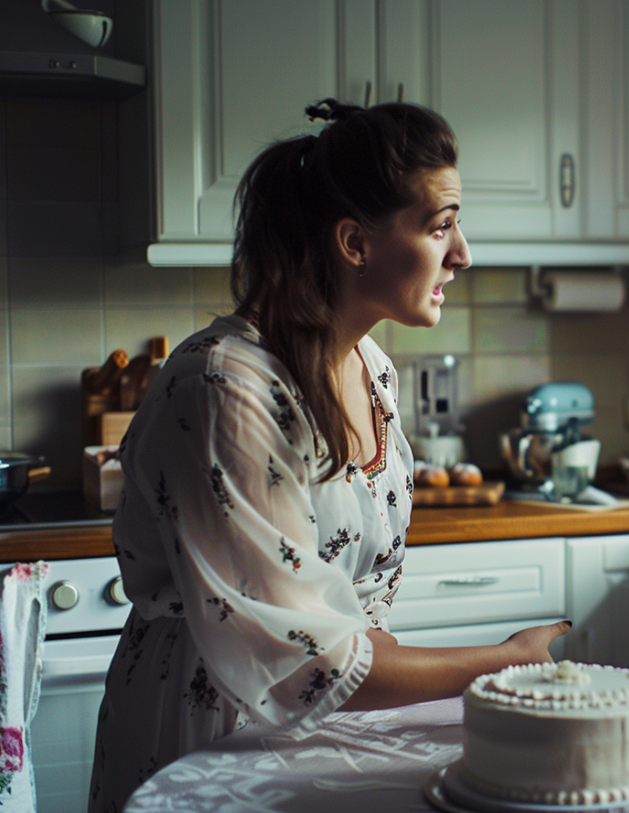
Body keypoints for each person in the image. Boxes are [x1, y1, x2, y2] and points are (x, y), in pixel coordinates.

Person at [89, 100, 570, 812]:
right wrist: (506, 663)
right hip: (214, 735)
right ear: (355, 243)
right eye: (441, 226)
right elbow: (301, 659)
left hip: (330, 729)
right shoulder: (223, 385)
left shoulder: (372, 368)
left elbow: (349, 622)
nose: (463, 253)